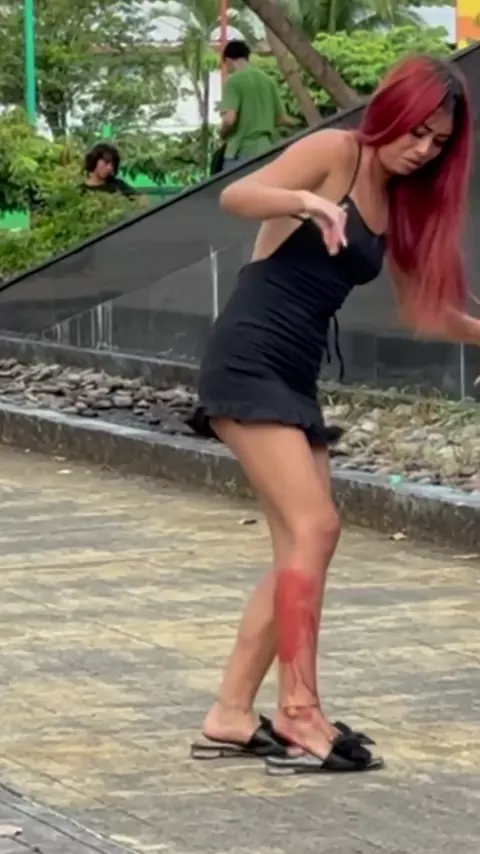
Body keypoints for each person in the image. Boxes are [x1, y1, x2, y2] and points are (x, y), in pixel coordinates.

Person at [188, 54, 479, 775]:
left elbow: (429, 313)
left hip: (294, 371)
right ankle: (297, 709)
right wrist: (305, 203)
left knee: (304, 543)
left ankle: (231, 713)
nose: (423, 149)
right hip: (248, 357)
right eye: (416, 131)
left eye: (439, 142)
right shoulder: (336, 153)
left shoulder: (399, 198)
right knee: (315, 528)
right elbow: (239, 196)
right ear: (390, 112)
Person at [218, 39, 296, 171]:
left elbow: (229, 119)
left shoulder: (233, 82)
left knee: (233, 184)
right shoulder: (268, 81)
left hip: (241, 151)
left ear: (228, 60)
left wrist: (222, 134)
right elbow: (281, 119)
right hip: (267, 149)